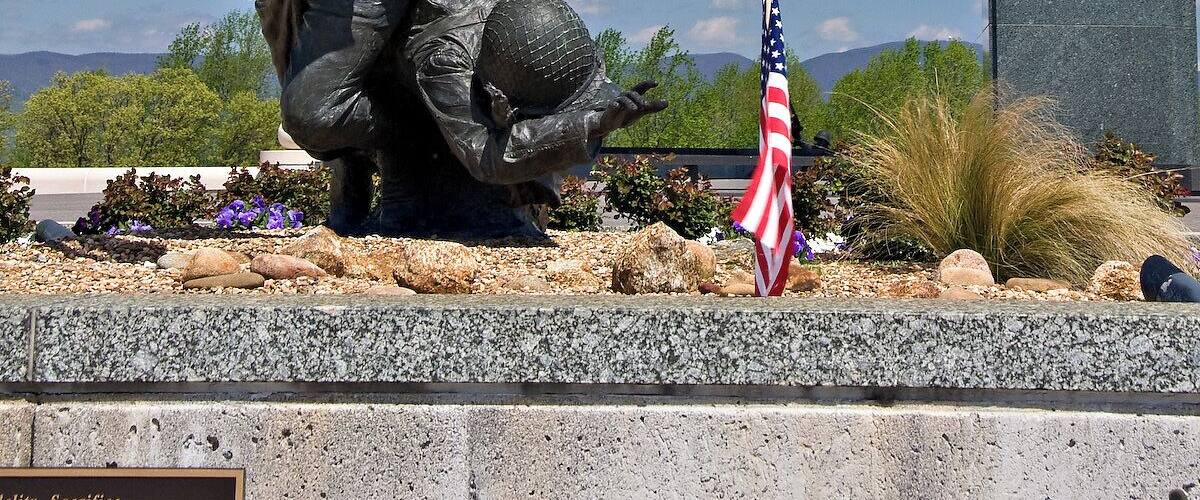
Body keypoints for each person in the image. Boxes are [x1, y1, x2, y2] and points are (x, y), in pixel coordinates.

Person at [257, 0, 667, 236]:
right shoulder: (446, 61)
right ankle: (391, 147)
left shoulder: (526, 25)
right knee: (313, 112)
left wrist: (593, 118)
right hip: (404, 48)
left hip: (459, 56)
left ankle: (455, 171)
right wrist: (588, 124)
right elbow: (488, 154)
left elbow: (492, 150)